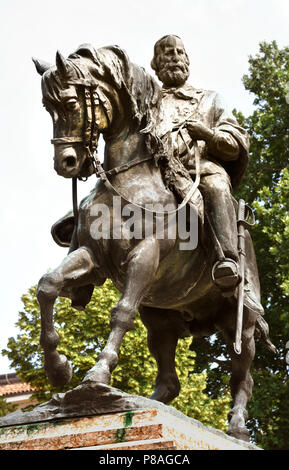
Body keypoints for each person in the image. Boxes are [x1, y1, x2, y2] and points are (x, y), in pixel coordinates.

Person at [151, 35, 250, 295]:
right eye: (167, 53)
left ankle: (225, 259)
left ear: (187, 60)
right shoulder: (147, 102)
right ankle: (85, 237)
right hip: (153, 170)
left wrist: (207, 134)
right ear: (156, 64)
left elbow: (234, 144)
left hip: (198, 169)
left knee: (216, 184)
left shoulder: (210, 99)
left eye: (179, 52)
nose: (174, 57)